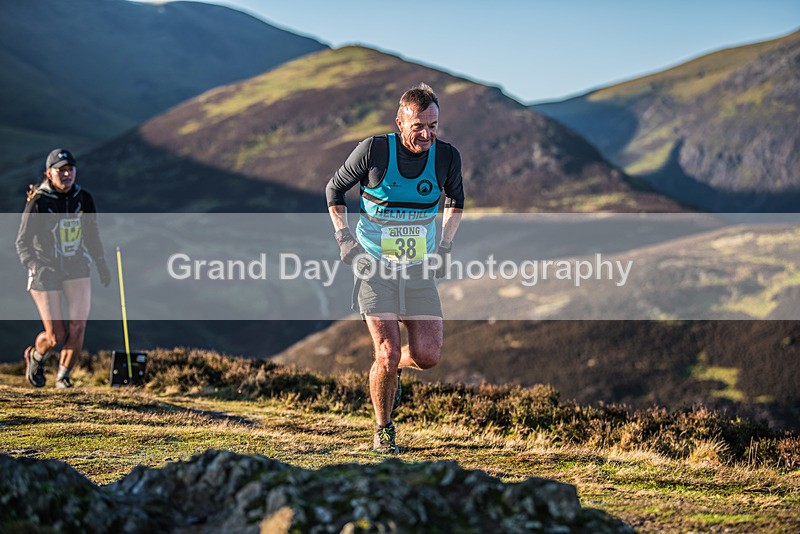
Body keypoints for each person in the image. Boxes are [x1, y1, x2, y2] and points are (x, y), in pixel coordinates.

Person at [326, 83, 464, 453]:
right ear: (400, 122)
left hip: (419, 269)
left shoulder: (447, 157)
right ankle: (383, 429)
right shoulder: (373, 151)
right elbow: (333, 191)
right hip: (374, 265)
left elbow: (456, 200)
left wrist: (446, 246)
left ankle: (392, 371)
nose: (427, 134)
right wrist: (344, 240)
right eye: (418, 126)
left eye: (433, 125)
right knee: (386, 352)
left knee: (428, 356)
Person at [15, 148, 111, 389]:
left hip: (76, 266)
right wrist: (32, 264)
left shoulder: (83, 198)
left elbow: (91, 233)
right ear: (49, 173)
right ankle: (36, 356)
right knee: (55, 336)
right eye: (61, 170)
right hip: (45, 270)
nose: (67, 174)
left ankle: (63, 378)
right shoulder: (39, 201)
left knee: (78, 325)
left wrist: (101, 263)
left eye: (70, 169)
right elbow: (22, 241)